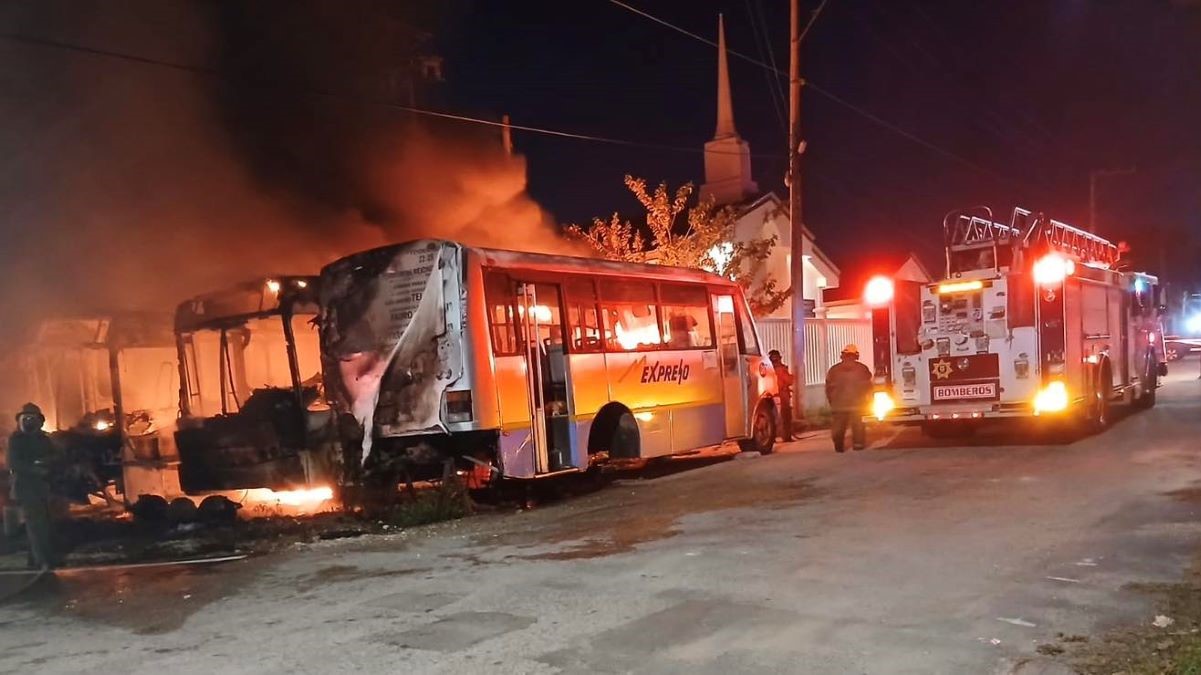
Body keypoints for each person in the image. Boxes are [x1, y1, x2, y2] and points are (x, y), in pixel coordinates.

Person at [6, 403, 56, 569]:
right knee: (36, 525)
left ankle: (36, 560)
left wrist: (47, 463)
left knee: (42, 524)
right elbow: (13, 462)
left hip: (42, 488)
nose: (28, 421)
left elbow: (56, 456)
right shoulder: (16, 440)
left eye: (31, 418)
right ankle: (43, 561)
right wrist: (36, 469)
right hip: (25, 488)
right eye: (25, 418)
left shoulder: (44, 439)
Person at [825, 345, 873, 453]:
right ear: (856, 355)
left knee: (838, 426)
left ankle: (838, 446)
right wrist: (868, 400)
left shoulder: (833, 370)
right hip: (858, 404)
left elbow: (828, 388)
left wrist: (832, 402)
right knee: (858, 425)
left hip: (838, 405)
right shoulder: (862, 369)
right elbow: (868, 386)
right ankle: (858, 445)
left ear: (843, 355)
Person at [768, 350, 796, 441]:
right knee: (786, 417)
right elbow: (789, 381)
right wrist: (792, 377)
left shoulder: (768, 370)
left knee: (773, 418)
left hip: (771, 398)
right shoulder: (781, 369)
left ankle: (772, 438)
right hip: (782, 396)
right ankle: (787, 437)